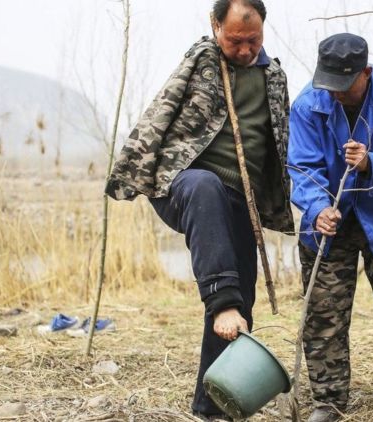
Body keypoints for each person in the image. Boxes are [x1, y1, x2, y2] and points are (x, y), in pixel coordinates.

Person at [105, 0, 292, 420]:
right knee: (206, 188)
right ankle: (222, 300)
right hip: (185, 185)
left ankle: (214, 406)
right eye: (234, 40)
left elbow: (281, 141)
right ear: (215, 26)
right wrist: (130, 171)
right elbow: (161, 111)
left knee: (240, 303)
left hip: (240, 199)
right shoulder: (203, 59)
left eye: (253, 40)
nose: (244, 50)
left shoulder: (274, 76)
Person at [287, 33, 373, 422]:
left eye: (344, 86)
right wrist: (317, 209)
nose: (335, 94)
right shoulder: (306, 105)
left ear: (365, 72)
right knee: (324, 313)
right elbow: (301, 167)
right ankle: (328, 401)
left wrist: (371, 163)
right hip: (328, 226)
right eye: (328, 85)